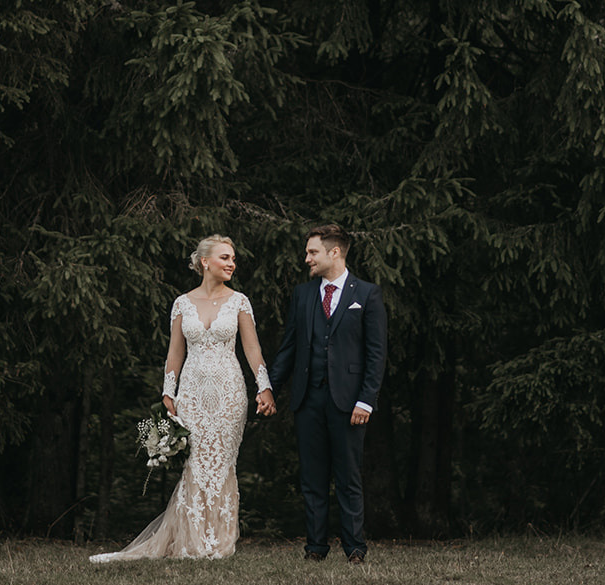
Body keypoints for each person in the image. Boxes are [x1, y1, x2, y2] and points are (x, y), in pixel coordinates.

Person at [90, 234, 276, 562]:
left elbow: (252, 348)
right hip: (191, 393)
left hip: (229, 392)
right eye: (225, 257)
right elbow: (175, 351)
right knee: (196, 463)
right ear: (205, 262)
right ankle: (192, 540)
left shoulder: (239, 302)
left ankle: (219, 541)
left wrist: (264, 387)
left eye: (233, 259)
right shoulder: (182, 303)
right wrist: (168, 392)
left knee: (222, 463)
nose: (232, 263)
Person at [267, 223, 388, 563]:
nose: (307, 258)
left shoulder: (367, 294)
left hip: (349, 401)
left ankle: (355, 548)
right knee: (312, 478)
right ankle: (315, 548)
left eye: (312, 252)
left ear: (334, 252)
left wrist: (366, 400)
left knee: (348, 477)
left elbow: (376, 353)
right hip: (308, 399)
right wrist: (269, 388)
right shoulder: (303, 294)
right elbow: (289, 348)